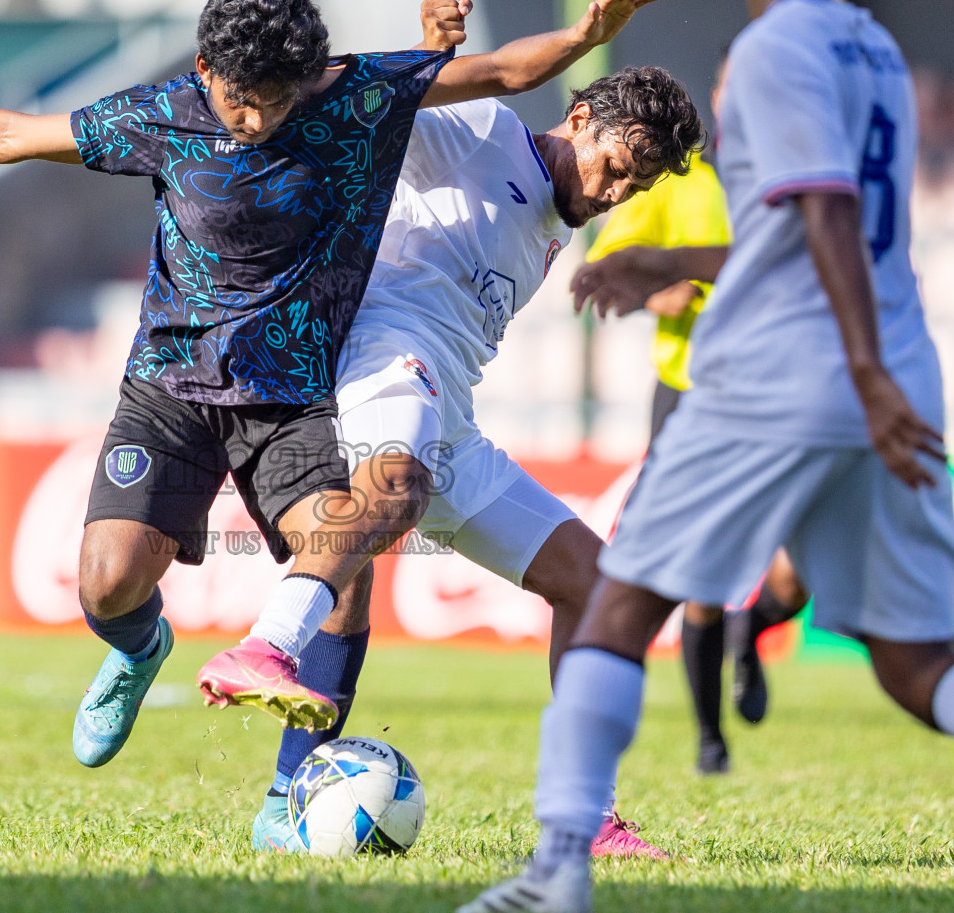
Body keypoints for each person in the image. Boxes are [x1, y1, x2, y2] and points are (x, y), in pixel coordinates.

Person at [0, 0, 674, 770]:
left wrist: (552, 42)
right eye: (244, 101)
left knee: (410, 571)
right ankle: (157, 645)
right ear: (206, 72)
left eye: (277, 100)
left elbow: (476, 73)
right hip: (199, 376)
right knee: (113, 580)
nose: (259, 120)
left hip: (310, 392)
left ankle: (315, 793)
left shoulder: (338, 101)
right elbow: (13, 134)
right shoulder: (176, 116)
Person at [462, 0, 954, 910]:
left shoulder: (768, 54)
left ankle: (557, 870)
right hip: (890, 358)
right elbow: (816, 221)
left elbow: (820, 209)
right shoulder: (872, 50)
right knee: (915, 659)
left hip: (785, 372)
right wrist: (677, 259)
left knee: (612, 607)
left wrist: (856, 368)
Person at [248, 63, 702, 858]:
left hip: (448, 417)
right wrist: (299, 76)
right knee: (379, 513)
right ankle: (268, 652)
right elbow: (369, 104)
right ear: (581, 117)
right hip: (384, 362)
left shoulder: (553, 223)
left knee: (589, 583)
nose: (615, 195)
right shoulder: (484, 134)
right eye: (616, 169)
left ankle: (580, 817)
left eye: (637, 188)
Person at [583, 78, 807, 776]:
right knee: (701, 570)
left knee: (798, 578)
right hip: (693, 397)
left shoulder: (804, 187)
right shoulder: (681, 186)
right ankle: (710, 742)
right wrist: (657, 291)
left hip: (789, 396)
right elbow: (606, 262)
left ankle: (754, 628)